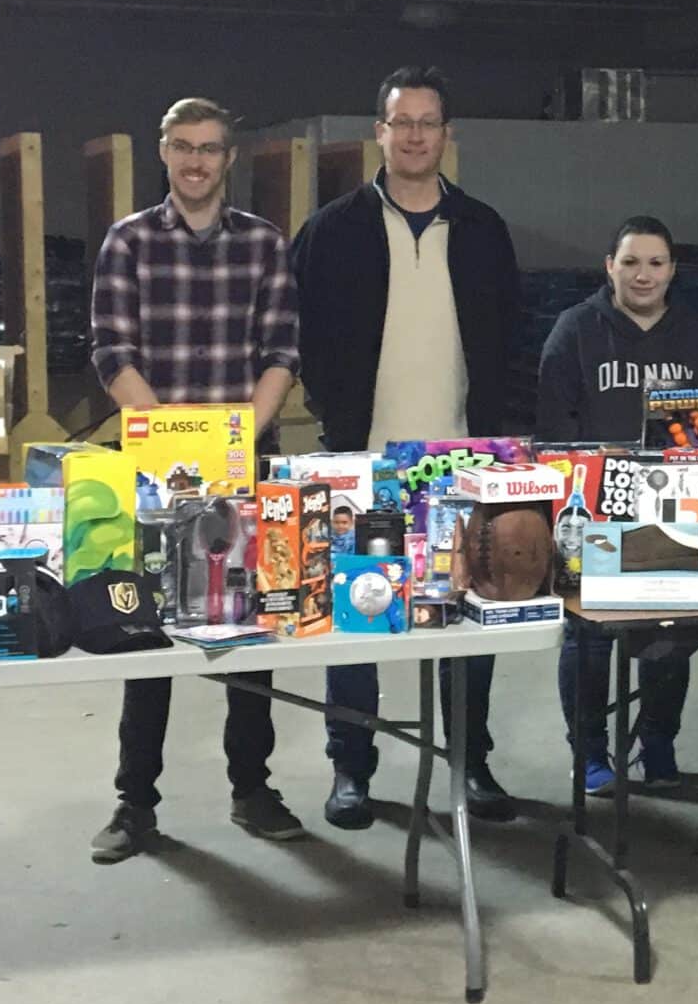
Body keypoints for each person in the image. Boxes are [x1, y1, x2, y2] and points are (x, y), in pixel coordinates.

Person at [292, 67, 524, 830]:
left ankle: (471, 763)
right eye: (402, 122)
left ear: (446, 137)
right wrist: (337, 425)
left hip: (467, 461)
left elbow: (512, 340)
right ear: (380, 134)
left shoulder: (484, 230)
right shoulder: (333, 231)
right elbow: (305, 336)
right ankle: (351, 769)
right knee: (357, 619)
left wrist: (508, 443)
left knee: (469, 615)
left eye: (429, 122)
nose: (416, 135)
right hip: (365, 461)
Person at [86, 97, 304, 864]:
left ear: (229, 157)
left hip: (246, 464)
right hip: (157, 472)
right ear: (164, 152)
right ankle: (134, 803)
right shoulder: (130, 241)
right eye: (183, 147)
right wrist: (176, 441)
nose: (196, 161)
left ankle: (253, 788)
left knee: (253, 634)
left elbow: (281, 352)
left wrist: (236, 439)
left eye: (210, 148)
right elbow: (113, 351)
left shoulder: (265, 245)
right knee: (147, 637)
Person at [536, 215, 698, 795]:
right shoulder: (574, 331)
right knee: (590, 637)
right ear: (609, 267)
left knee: (671, 629)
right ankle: (590, 752)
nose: (643, 274)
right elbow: (554, 429)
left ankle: (658, 741)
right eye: (630, 262)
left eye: (655, 263)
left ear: (672, 270)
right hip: (595, 511)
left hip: (680, 511)